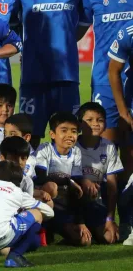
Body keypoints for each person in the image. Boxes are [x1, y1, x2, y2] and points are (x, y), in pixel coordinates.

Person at [10, 0, 90, 149]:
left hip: (67, 77)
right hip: (33, 77)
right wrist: (28, 44)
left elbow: (82, 24)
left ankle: (66, 181)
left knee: (68, 137)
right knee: (30, 138)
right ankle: (29, 182)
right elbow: (8, 23)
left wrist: (64, 44)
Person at [83, 0, 133, 146]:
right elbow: (75, 32)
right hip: (104, 78)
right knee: (104, 150)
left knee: (130, 152)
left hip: (132, 80)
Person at [34, 112, 87, 246]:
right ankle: (44, 228)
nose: (69, 135)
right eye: (64, 131)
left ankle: (60, 230)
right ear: (52, 134)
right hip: (48, 201)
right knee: (51, 186)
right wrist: (67, 181)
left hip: (65, 205)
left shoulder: (76, 152)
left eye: (73, 131)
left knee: (83, 240)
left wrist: (80, 222)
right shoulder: (44, 149)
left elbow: (78, 189)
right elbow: (40, 178)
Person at [76, 102, 123, 244]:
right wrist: (83, 181)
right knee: (82, 240)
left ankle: (95, 224)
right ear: (79, 124)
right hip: (74, 199)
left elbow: (112, 186)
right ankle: (69, 225)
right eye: (89, 120)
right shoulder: (73, 145)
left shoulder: (108, 146)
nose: (95, 124)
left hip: (97, 200)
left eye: (100, 120)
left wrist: (110, 218)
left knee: (110, 238)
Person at [108, 19, 133, 240]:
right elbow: (114, 71)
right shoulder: (129, 31)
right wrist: (124, 111)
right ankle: (127, 221)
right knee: (129, 163)